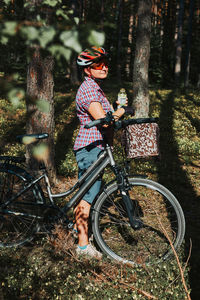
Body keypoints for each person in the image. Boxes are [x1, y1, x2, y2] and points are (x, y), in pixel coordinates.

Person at [73, 46, 131, 259]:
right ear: (88, 69)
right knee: (87, 196)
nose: (104, 67)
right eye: (98, 64)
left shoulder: (95, 88)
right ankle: (82, 247)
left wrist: (116, 109)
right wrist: (122, 111)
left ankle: (79, 231)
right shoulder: (89, 89)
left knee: (89, 192)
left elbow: (105, 117)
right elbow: (104, 123)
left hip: (98, 147)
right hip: (90, 148)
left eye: (106, 63)